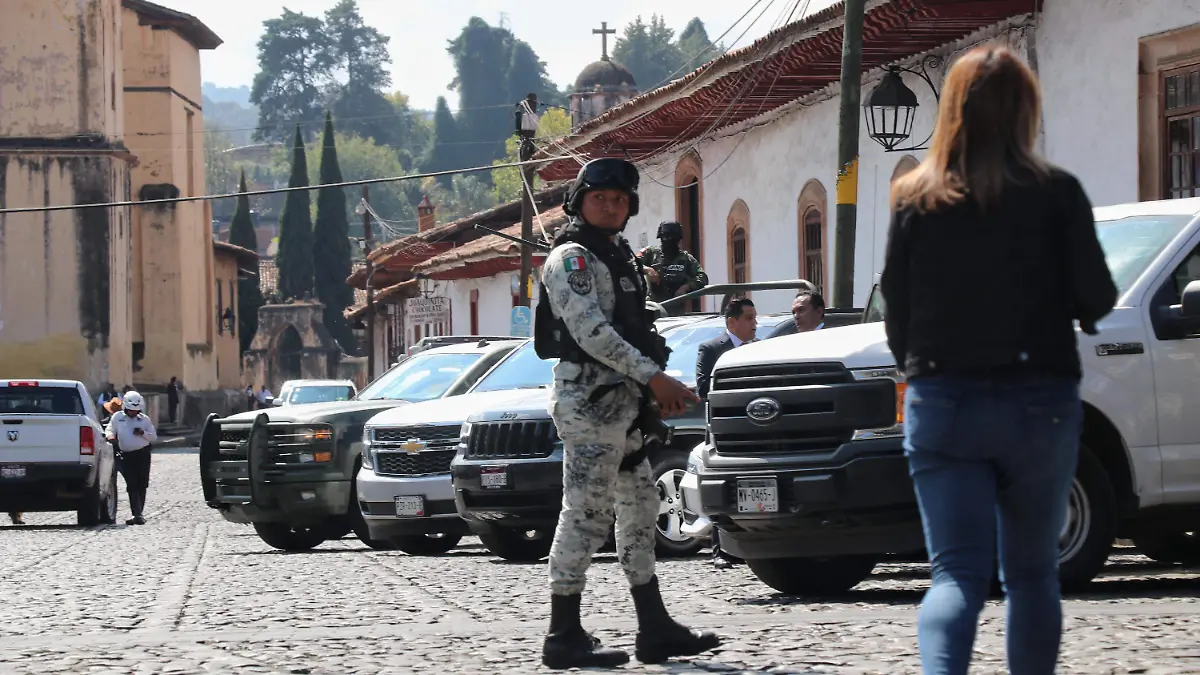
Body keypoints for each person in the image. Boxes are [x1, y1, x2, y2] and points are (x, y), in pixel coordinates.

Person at [879, 45, 1117, 675]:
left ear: (952, 110)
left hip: (944, 397)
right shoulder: (1057, 192)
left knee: (954, 572)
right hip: (1040, 398)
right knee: (1033, 572)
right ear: (1026, 109)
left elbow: (895, 307)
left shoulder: (914, 198)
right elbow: (1097, 298)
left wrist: (920, 369)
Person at [535, 157, 720, 669]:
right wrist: (654, 377)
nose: (611, 206)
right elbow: (591, 332)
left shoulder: (620, 257)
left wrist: (649, 368)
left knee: (639, 508)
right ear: (579, 201)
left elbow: (630, 318)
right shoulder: (571, 260)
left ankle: (653, 627)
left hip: (627, 405)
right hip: (590, 404)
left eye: (620, 200)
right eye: (601, 198)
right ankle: (563, 633)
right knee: (586, 514)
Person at [695, 297, 757, 568]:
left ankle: (751, 545)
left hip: (755, 426)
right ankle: (721, 550)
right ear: (732, 322)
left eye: (755, 318)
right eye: (749, 319)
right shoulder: (711, 349)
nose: (755, 324)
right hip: (724, 427)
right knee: (722, 485)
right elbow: (702, 389)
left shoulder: (759, 348)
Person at [105, 391, 159, 526]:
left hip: (142, 454)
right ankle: (136, 513)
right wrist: (111, 437)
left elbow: (153, 437)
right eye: (131, 410)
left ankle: (139, 513)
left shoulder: (144, 420)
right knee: (132, 483)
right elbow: (110, 429)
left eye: (136, 410)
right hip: (126, 455)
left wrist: (143, 433)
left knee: (142, 484)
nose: (133, 413)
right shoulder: (118, 417)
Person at [639, 221, 708, 313]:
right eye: (665, 238)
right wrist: (646, 269)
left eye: (672, 239)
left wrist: (687, 287)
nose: (668, 242)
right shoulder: (651, 253)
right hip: (653, 308)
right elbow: (630, 263)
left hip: (676, 311)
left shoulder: (686, 258)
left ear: (678, 240)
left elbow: (702, 276)